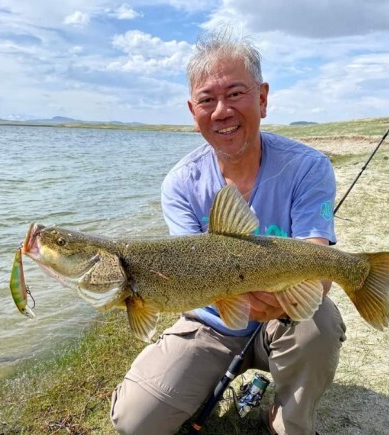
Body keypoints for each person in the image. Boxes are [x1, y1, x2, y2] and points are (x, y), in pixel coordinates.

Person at [111, 28, 347, 435]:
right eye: (207, 100)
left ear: (262, 99)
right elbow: (182, 276)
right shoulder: (180, 183)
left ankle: (288, 420)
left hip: (284, 318)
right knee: (134, 421)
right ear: (193, 112)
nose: (221, 111)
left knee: (320, 321)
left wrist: (284, 303)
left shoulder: (308, 167)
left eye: (235, 94)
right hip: (210, 323)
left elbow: (318, 261)